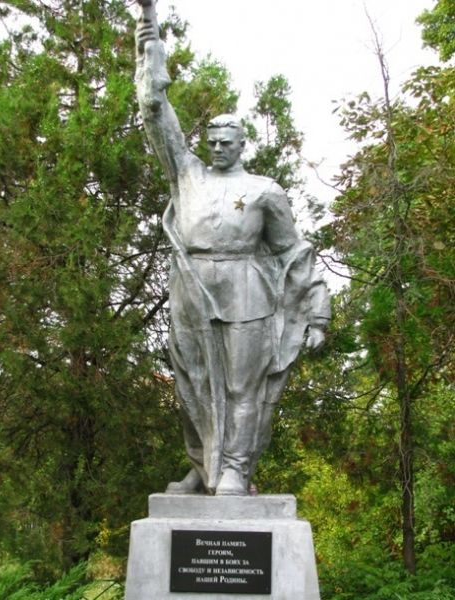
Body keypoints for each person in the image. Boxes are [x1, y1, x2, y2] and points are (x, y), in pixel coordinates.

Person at [135, 0, 331, 496]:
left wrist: (318, 312)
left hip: (247, 289)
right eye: (213, 140)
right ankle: (204, 468)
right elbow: (155, 110)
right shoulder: (187, 174)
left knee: (244, 387)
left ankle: (235, 469)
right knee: (192, 386)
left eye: (227, 142)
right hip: (193, 285)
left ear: (242, 145)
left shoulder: (266, 190)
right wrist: (150, 32)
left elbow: (293, 252)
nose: (218, 147)